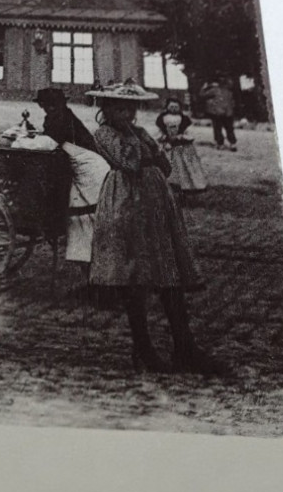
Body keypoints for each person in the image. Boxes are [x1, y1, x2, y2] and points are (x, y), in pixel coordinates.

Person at [88, 81, 218, 375]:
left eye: (130, 108)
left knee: (168, 274)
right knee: (135, 276)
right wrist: (142, 146)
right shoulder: (104, 134)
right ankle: (143, 348)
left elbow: (165, 165)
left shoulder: (141, 132)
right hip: (125, 203)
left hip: (155, 202)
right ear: (106, 109)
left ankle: (185, 348)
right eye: (119, 107)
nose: (127, 113)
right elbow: (129, 163)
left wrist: (151, 150)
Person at [35, 88, 110, 264]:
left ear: (57, 105)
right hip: (82, 162)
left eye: (50, 105)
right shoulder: (62, 115)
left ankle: (90, 257)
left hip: (89, 166)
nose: (47, 109)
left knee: (85, 210)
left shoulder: (61, 119)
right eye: (45, 105)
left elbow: (52, 142)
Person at [155, 99, 208, 193]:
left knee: (184, 166)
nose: (174, 109)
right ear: (167, 107)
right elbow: (159, 132)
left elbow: (189, 132)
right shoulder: (162, 118)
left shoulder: (184, 119)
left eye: (176, 107)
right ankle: (170, 186)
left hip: (182, 147)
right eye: (171, 107)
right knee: (168, 165)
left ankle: (187, 187)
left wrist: (181, 137)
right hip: (167, 146)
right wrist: (164, 138)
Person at [200, 77, 237, 151]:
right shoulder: (228, 91)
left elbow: (202, 95)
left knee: (217, 128)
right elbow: (232, 102)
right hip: (228, 113)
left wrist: (204, 87)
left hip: (218, 113)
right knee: (229, 128)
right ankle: (232, 144)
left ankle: (220, 144)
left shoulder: (214, 90)